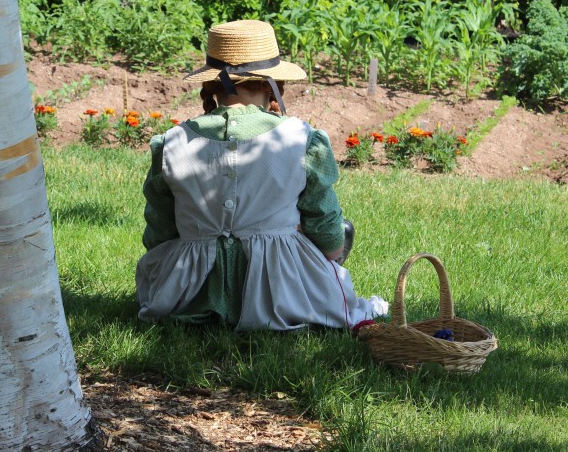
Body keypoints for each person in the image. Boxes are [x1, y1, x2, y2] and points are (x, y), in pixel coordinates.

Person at [136, 20, 388, 331]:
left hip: (188, 295)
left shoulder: (172, 143)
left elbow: (158, 233)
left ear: (211, 85)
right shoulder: (301, 140)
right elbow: (327, 230)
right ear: (271, 86)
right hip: (282, 293)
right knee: (340, 230)